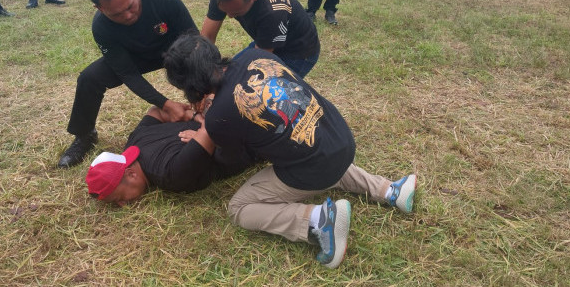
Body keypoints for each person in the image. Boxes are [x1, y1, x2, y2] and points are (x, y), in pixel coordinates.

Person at [163, 34, 417, 270]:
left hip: (317, 168)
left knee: (240, 207)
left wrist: (204, 132)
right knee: (313, 149)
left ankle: (317, 222)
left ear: (189, 86)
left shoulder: (219, 117)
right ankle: (390, 190)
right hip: (339, 138)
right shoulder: (256, 56)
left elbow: (232, 159)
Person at [57, 0, 198, 168]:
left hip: (172, 49)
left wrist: (200, 90)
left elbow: (194, 41)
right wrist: (165, 104)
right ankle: (84, 136)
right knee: (89, 78)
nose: (128, 16)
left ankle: (209, 109)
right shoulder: (101, 27)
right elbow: (128, 73)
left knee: (196, 59)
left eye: (130, 6)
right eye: (116, 14)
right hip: (133, 57)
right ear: (99, 8)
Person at [85, 106, 254, 206]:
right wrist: (196, 117)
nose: (122, 205)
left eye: (119, 198)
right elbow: (157, 111)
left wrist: (202, 131)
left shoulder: (170, 174)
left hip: (253, 139)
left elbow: (213, 129)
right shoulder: (134, 141)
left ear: (131, 173)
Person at [201, 0, 320, 77]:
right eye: (224, 10)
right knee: (228, 77)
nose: (230, 16)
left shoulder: (272, 12)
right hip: (267, 40)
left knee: (258, 89)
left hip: (297, 51)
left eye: (236, 12)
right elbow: (207, 36)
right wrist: (207, 70)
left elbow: (259, 61)